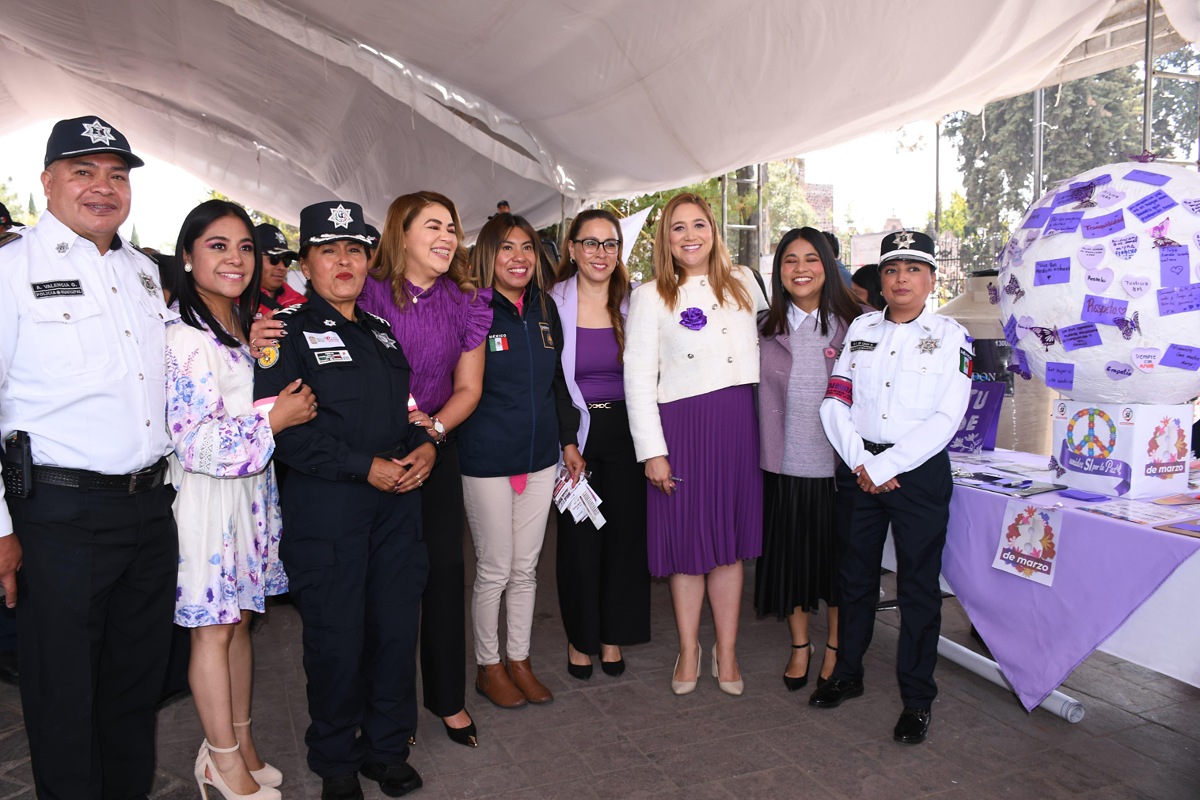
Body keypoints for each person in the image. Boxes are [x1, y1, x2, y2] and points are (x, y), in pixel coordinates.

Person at [0, 115, 178, 799]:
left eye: (116, 173)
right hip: (60, 518)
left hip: (146, 512)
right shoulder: (14, 272)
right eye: (83, 171)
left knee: (134, 691)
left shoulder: (142, 274)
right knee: (63, 699)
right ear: (47, 182)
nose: (103, 187)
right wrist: (3, 532)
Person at [254, 200, 434, 800]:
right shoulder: (286, 334)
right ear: (306, 263)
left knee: (391, 632)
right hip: (329, 515)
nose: (344, 261)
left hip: (395, 513)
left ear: (368, 259)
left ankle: (386, 749)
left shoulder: (380, 332)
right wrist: (365, 468)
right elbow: (287, 434)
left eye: (354, 250)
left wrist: (425, 447)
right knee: (335, 640)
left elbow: (403, 412)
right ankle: (335, 759)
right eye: (328, 251)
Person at [166, 199, 316, 799]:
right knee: (214, 631)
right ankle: (220, 762)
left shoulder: (235, 326)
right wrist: (274, 421)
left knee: (241, 623)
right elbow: (195, 442)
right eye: (217, 246)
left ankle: (241, 743)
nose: (235, 258)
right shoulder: (182, 338)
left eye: (245, 247)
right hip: (207, 503)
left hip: (247, 496)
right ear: (187, 256)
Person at [811, 230, 972, 746]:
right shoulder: (860, 330)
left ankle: (918, 699)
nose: (901, 279)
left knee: (919, 589)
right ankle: (848, 674)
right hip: (861, 469)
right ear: (880, 279)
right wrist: (863, 462)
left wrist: (891, 465)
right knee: (854, 578)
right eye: (891, 270)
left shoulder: (952, 336)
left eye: (913, 269)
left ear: (930, 278)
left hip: (918, 473)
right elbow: (834, 401)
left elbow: (949, 415)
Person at [359, 190, 491, 748]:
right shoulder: (361, 292)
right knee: (382, 585)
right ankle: (385, 708)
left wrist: (434, 435)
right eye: (432, 225)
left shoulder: (467, 302)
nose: (446, 236)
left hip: (438, 443)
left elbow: (470, 388)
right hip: (372, 450)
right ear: (401, 233)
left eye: (452, 227)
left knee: (442, 575)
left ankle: (447, 699)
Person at [624, 193, 767, 697]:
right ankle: (689, 647)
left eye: (699, 225)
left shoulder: (747, 283)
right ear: (665, 238)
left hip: (737, 426)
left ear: (713, 230)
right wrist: (652, 452)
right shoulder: (649, 296)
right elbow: (637, 381)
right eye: (678, 228)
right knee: (686, 546)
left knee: (728, 547)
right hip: (681, 428)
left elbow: (771, 347)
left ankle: (726, 650)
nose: (690, 236)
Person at [460, 212, 580, 709]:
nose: (519, 258)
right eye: (507, 248)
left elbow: (557, 383)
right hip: (485, 458)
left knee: (527, 568)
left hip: (540, 458)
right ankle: (489, 667)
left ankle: (520, 660)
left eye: (527, 248)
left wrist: (568, 443)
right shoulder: (472, 309)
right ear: (489, 254)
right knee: (495, 567)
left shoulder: (544, 307)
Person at [755, 227, 867, 693]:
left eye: (810, 259)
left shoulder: (859, 324)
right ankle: (800, 645)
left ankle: (837, 647)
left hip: (837, 469)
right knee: (792, 566)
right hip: (781, 466)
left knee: (836, 567)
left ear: (828, 266)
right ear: (779, 272)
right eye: (789, 261)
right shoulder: (763, 326)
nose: (800, 269)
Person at [549, 209, 650, 681]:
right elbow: (550, 381)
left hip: (628, 435)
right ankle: (580, 638)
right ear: (571, 248)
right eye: (590, 243)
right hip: (577, 438)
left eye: (609, 244)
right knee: (578, 544)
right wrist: (566, 439)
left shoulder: (636, 303)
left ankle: (611, 636)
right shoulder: (551, 303)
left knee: (624, 541)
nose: (600, 253)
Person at [255, 222, 305, 313]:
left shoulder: (301, 304)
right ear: (254, 259)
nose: (282, 267)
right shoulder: (233, 302)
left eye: (286, 260)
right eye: (274, 259)